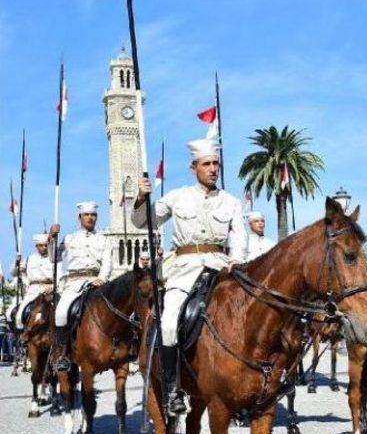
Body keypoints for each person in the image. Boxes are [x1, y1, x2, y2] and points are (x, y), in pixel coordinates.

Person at [133, 138, 247, 416]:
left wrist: (237, 260)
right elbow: (142, 221)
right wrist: (140, 198)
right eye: (206, 164)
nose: (213, 169)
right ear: (193, 167)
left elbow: (239, 234)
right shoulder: (177, 196)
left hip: (221, 266)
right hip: (185, 267)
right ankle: (173, 390)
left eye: (216, 163)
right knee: (170, 322)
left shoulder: (230, 202)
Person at [50, 201, 112, 371]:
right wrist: (52, 239)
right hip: (74, 283)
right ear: (80, 218)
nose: (90, 218)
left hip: (96, 282)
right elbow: (53, 257)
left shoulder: (103, 239)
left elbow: (107, 262)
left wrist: (102, 278)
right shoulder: (69, 238)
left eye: (93, 215)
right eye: (87, 215)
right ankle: (63, 354)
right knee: (61, 313)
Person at [13, 234, 57, 329]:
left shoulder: (53, 259)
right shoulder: (30, 258)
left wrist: (53, 287)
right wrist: (16, 262)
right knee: (19, 317)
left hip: (49, 291)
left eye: (46, 245)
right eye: (41, 245)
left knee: (58, 315)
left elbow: (59, 276)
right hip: (33, 292)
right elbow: (14, 273)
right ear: (36, 246)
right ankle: (22, 340)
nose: (44, 248)